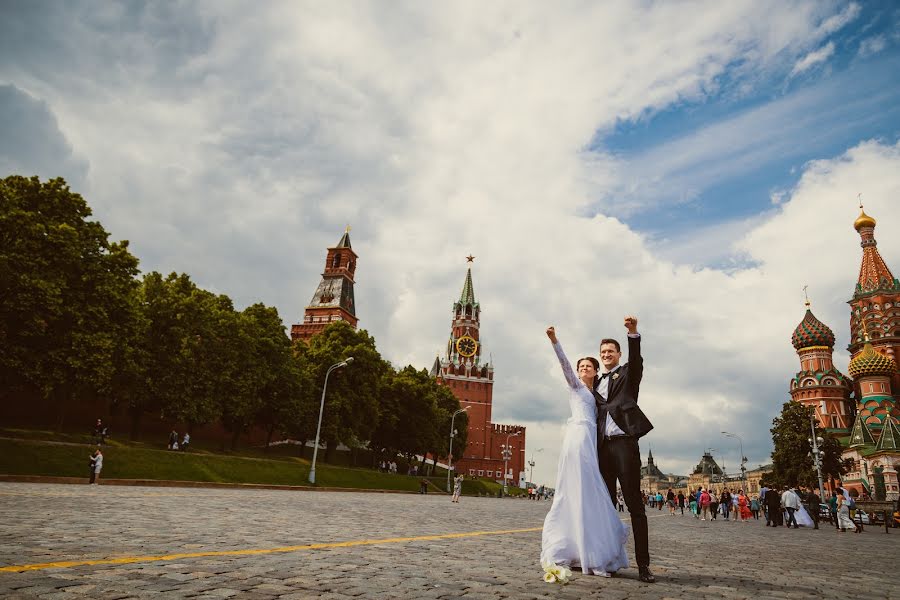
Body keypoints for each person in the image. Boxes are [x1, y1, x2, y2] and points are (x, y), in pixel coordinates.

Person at [541, 327, 629, 578]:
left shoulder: (599, 392)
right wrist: (555, 340)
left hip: (593, 440)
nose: (583, 370)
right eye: (581, 367)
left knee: (590, 491)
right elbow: (564, 365)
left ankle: (586, 547)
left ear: (595, 370)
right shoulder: (576, 388)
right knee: (583, 487)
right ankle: (579, 548)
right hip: (579, 438)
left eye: (588, 367)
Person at [591, 317, 655, 583]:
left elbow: (637, 360)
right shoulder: (593, 383)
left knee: (634, 506)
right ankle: (606, 559)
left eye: (611, 352)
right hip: (603, 449)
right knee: (604, 507)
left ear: (618, 355)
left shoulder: (628, 375)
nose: (606, 355)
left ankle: (643, 566)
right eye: (603, 352)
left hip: (625, 447)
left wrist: (632, 333)